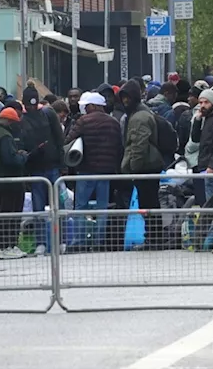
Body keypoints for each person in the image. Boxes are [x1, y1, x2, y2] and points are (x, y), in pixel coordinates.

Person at [64, 92, 122, 251]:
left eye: (86, 106)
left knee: (81, 206)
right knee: (102, 207)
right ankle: (99, 241)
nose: (84, 109)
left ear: (93, 106)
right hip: (106, 171)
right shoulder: (114, 123)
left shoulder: (83, 121)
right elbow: (119, 146)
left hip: (86, 170)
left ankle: (80, 241)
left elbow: (68, 140)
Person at [118, 79, 167, 247]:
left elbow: (138, 145)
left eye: (127, 98)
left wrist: (133, 168)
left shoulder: (139, 117)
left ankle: (153, 238)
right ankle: (154, 238)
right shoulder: (141, 113)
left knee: (149, 204)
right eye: (123, 98)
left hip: (145, 166)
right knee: (150, 203)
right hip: (148, 164)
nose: (125, 101)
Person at [20, 85, 65, 256]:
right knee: (39, 208)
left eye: (33, 104)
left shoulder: (48, 114)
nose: (31, 107)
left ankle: (59, 240)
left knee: (57, 206)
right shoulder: (23, 120)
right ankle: (41, 242)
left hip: (52, 166)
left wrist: (62, 164)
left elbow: (59, 140)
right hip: (36, 168)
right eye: (28, 104)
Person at [0, 107, 28, 260]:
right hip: (9, 183)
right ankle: (8, 246)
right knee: (10, 216)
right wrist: (22, 157)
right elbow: (10, 161)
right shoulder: (5, 136)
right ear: (9, 121)